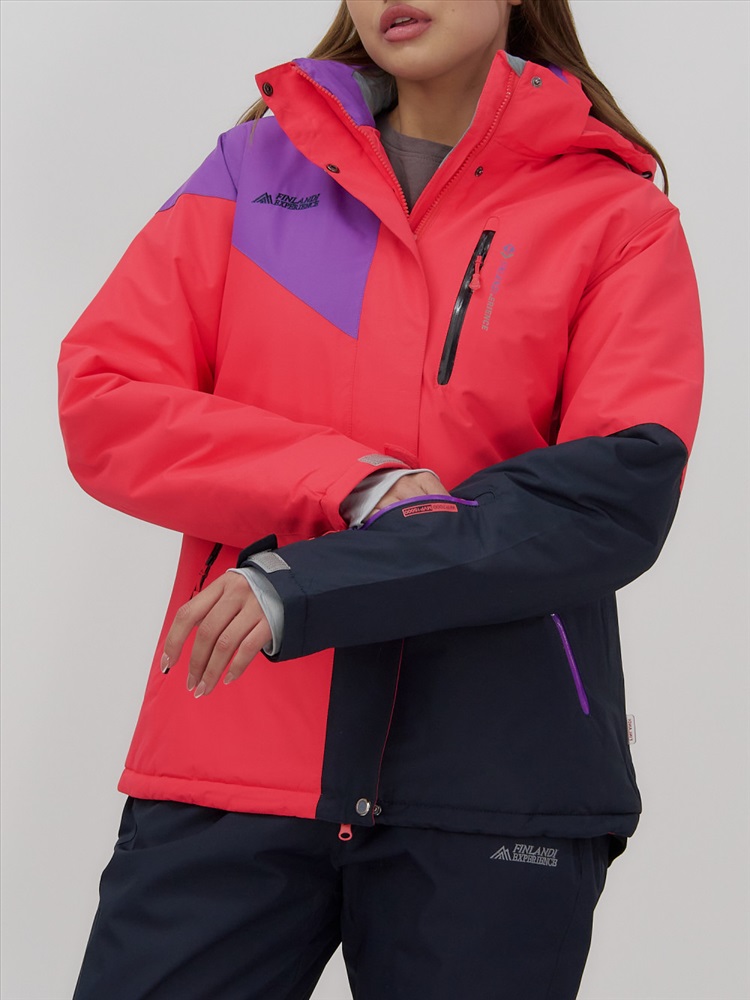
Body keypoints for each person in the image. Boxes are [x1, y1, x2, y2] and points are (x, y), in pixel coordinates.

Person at [58, 1, 703, 997]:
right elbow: (108, 403)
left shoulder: (613, 214)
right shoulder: (252, 173)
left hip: (495, 778)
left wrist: (306, 584)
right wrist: (354, 483)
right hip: (236, 749)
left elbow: (607, 499)